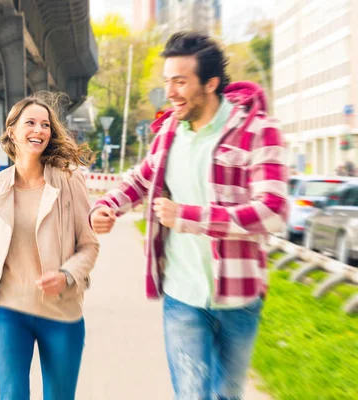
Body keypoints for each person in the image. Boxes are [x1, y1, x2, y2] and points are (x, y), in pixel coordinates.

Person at [90, 31, 288, 399]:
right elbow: (141, 178)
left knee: (227, 395)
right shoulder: (169, 131)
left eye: (180, 81)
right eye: (168, 81)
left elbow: (273, 212)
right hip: (182, 295)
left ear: (210, 83)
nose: (170, 91)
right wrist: (106, 205)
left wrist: (189, 216)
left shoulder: (259, 131)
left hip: (239, 297)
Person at [0, 93, 99, 400]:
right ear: (12, 130)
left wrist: (67, 274)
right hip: (10, 312)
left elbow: (89, 245)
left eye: (45, 125)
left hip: (62, 313)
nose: (39, 130)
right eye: (30, 122)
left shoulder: (69, 181)